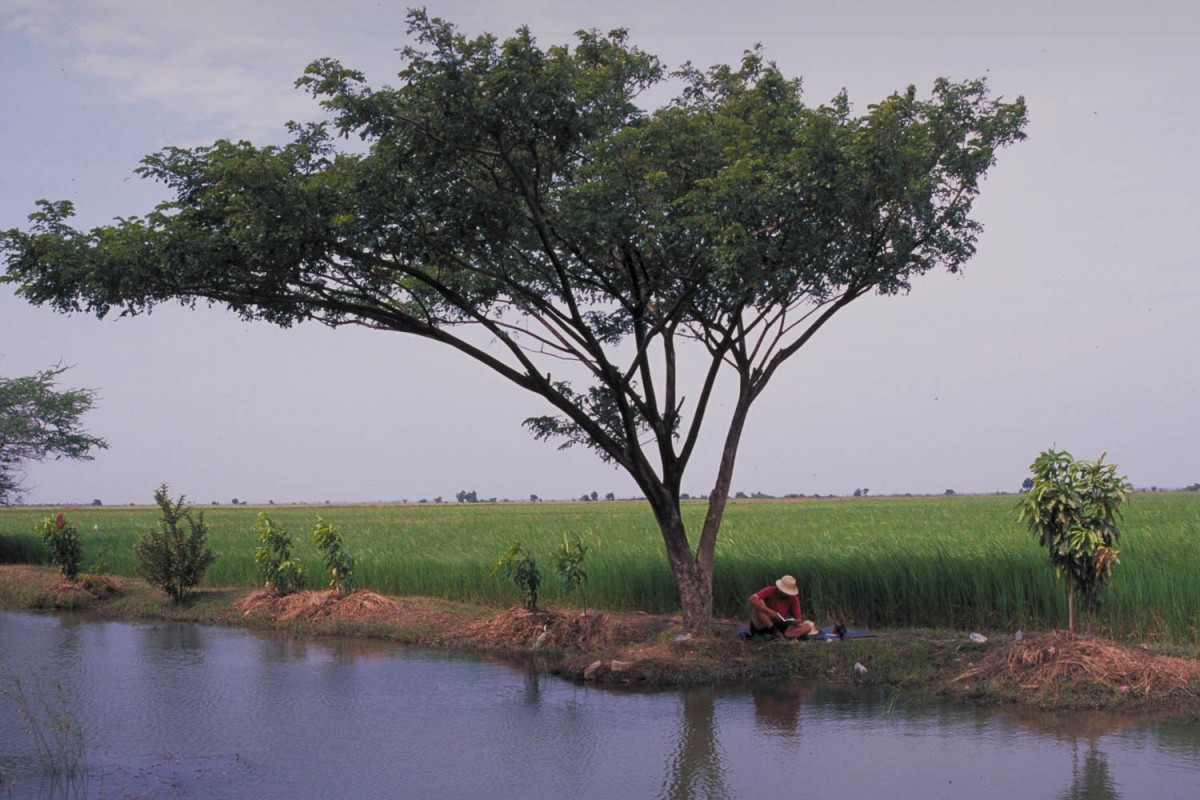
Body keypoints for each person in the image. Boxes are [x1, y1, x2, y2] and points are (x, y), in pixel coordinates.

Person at [747, 575, 818, 639]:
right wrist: (769, 611)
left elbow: (798, 619)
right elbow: (752, 599)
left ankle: (780, 636)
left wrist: (789, 621)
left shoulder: (793, 598)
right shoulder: (770, 590)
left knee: (807, 627)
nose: (786, 594)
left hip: (780, 624)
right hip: (763, 622)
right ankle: (774, 631)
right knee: (759, 603)